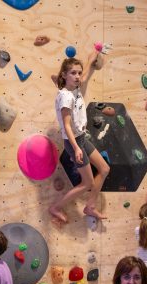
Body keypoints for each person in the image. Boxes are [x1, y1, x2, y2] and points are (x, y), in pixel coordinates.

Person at [48, 50, 109, 225]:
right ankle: (56, 207)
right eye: (73, 73)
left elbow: (86, 75)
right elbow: (66, 126)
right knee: (87, 183)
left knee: (104, 169)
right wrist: (75, 148)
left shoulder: (74, 90)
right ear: (65, 75)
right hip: (73, 142)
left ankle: (90, 206)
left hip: (82, 138)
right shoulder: (66, 96)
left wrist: (92, 58)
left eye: (79, 73)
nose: (78, 76)